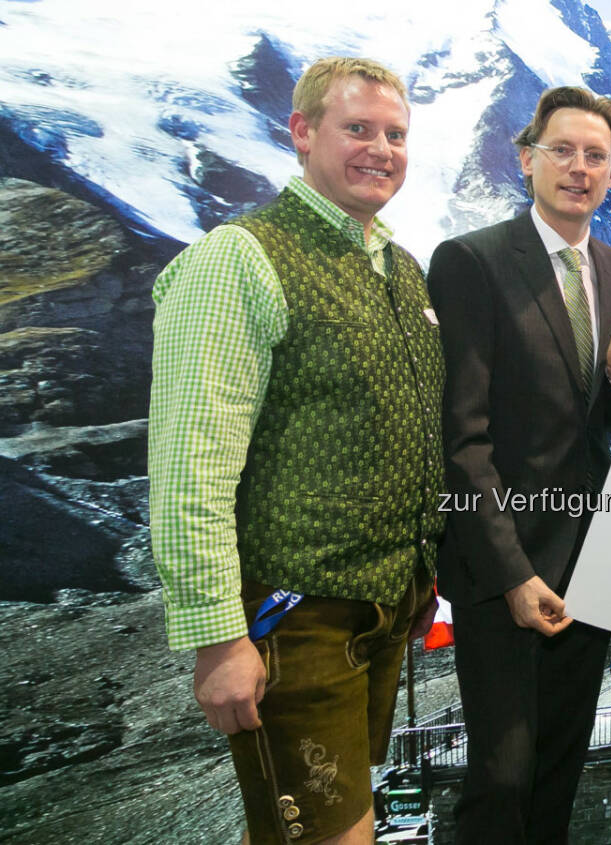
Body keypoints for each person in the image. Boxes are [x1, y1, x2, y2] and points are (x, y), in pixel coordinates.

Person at [149, 57, 440, 844]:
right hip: (293, 620)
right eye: (358, 129)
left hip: (376, 615)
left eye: (395, 135)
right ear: (303, 133)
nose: (381, 149)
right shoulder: (239, 258)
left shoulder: (399, 268)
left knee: (299, 827)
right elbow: (191, 466)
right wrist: (217, 639)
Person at [425, 86, 611, 844]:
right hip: (504, 570)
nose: (579, 168)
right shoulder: (472, 261)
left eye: (597, 156)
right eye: (563, 150)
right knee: (501, 778)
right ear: (527, 159)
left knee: (561, 769)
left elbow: (593, 426)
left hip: (586, 569)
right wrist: (512, 573)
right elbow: (461, 436)